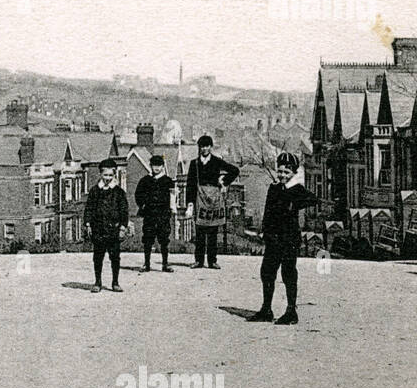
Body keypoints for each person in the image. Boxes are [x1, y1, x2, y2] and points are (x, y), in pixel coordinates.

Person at [247, 152, 316, 325]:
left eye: (286, 172)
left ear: (293, 173)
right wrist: (264, 230)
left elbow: (313, 199)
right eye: (280, 171)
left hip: (289, 239)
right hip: (273, 238)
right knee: (267, 272)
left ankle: (291, 311)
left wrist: (295, 200)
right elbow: (268, 211)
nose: (282, 175)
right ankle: (266, 309)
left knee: (288, 273)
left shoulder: (297, 190)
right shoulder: (274, 188)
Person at [185, 134, 239, 269]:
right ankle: (199, 261)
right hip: (200, 199)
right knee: (200, 231)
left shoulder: (217, 161)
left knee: (213, 231)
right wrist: (189, 204)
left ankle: (212, 261)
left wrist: (224, 181)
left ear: (210, 147)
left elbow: (235, 171)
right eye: (202, 146)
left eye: (207, 146)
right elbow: (190, 185)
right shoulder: (194, 164)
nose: (204, 149)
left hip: (215, 199)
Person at [84, 158, 129, 292]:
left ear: (114, 175)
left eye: (110, 175)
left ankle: (115, 282)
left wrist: (122, 227)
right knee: (98, 257)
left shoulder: (119, 192)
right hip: (98, 230)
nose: (108, 178)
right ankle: (97, 282)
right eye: (105, 175)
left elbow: (124, 211)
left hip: (113, 230)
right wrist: (88, 224)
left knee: (115, 257)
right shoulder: (94, 191)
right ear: (100, 174)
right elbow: (89, 208)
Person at [135, 154, 175, 273]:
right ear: (150, 166)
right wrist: (143, 205)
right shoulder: (145, 180)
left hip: (163, 214)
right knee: (148, 238)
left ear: (163, 167)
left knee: (164, 238)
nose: (156, 168)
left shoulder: (168, 181)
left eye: (159, 166)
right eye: (154, 165)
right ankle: (146, 264)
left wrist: (171, 209)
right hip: (149, 214)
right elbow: (138, 195)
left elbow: (172, 196)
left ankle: (165, 264)